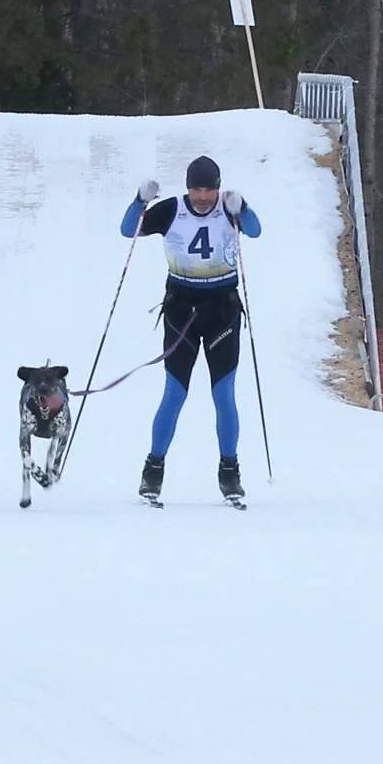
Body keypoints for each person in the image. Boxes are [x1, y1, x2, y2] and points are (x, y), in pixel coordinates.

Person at [118, 155, 261, 504]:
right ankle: (153, 470)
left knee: (223, 395)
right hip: (181, 310)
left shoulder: (227, 208)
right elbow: (128, 230)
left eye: (208, 189)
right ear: (187, 187)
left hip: (222, 311)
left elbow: (255, 230)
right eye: (196, 189)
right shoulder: (171, 210)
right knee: (174, 394)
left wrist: (243, 209)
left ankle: (230, 472)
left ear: (217, 187)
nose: (202, 196)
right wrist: (140, 200)